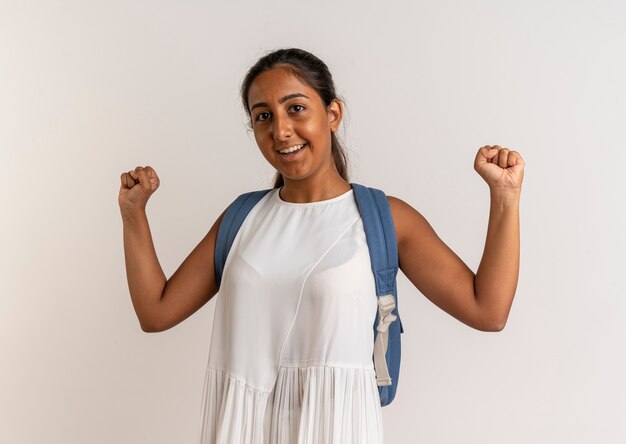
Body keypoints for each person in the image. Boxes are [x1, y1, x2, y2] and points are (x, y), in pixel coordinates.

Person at [119, 47, 524, 444]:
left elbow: (487, 311)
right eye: (263, 116)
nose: (281, 130)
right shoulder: (241, 219)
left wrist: (505, 199)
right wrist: (133, 214)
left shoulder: (385, 219)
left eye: (296, 108)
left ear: (332, 114)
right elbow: (156, 312)